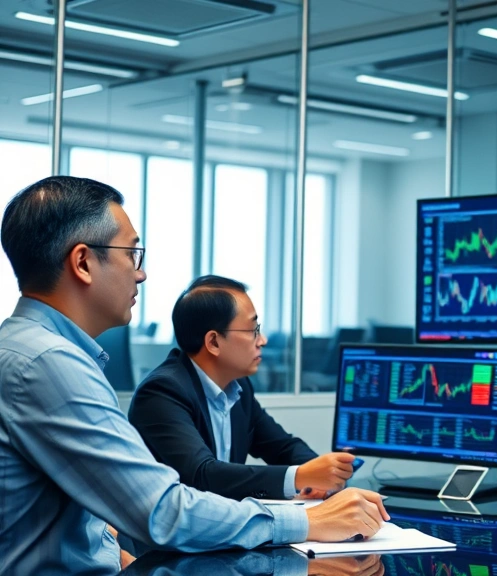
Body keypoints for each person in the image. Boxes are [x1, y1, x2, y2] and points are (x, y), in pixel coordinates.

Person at [0, 176, 389, 575]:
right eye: (132, 253)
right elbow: (162, 510)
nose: (141, 274)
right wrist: (310, 522)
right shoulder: (49, 364)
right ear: (83, 262)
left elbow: (78, 506)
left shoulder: (32, 350)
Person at [129, 275, 354, 501]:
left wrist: (324, 474)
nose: (262, 340)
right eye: (253, 330)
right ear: (214, 342)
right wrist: (300, 476)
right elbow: (202, 475)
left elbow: (281, 446)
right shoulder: (162, 392)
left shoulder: (238, 387)